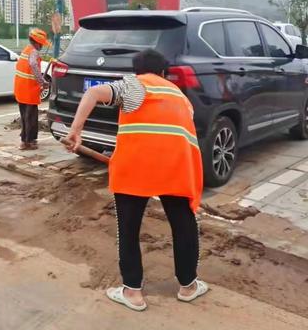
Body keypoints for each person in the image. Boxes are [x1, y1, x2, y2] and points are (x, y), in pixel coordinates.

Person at [65, 49, 208, 311]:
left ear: (137, 71)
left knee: (128, 229)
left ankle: (132, 292)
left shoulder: (135, 85)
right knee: (183, 225)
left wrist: (76, 131)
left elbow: (94, 93)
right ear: (164, 72)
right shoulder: (180, 96)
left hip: (135, 170)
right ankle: (188, 286)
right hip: (175, 171)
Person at [14, 28, 50, 150]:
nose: (42, 46)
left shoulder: (26, 50)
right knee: (31, 117)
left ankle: (24, 140)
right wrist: (42, 81)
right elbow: (33, 64)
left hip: (21, 89)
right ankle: (30, 141)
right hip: (29, 90)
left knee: (25, 116)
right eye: (42, 43)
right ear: (37, 42)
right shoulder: (33, 52)